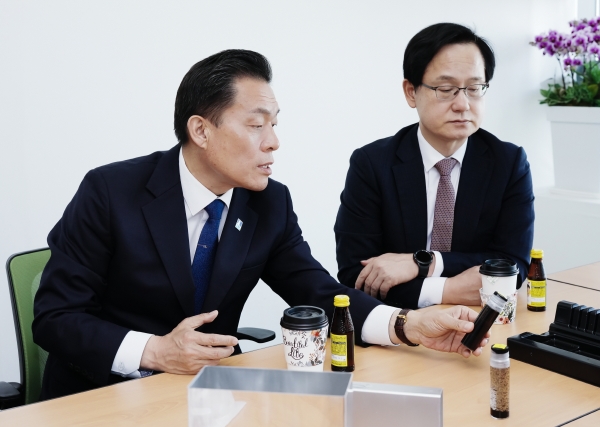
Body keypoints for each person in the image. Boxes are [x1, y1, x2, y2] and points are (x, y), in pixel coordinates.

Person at [33, 49, 489, 401]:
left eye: (274, 124)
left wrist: (410, 324)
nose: (273, 143)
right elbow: (55, 318)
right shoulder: (111, 192)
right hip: (104, 395)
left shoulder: (269, 203)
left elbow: (318, 291)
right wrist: (155, 351)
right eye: (256, 126)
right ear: (201, 130)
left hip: (210, 396)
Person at [335, 23, 534, 309]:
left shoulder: (509, 163)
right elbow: (357, 274)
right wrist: (446, 290)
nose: (463, 104)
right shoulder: (372, 164)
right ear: (411, 92)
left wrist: (424, 263)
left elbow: (512, 266)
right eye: (446, 89)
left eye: (475, 88)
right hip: (399, 321)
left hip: (479, 319)